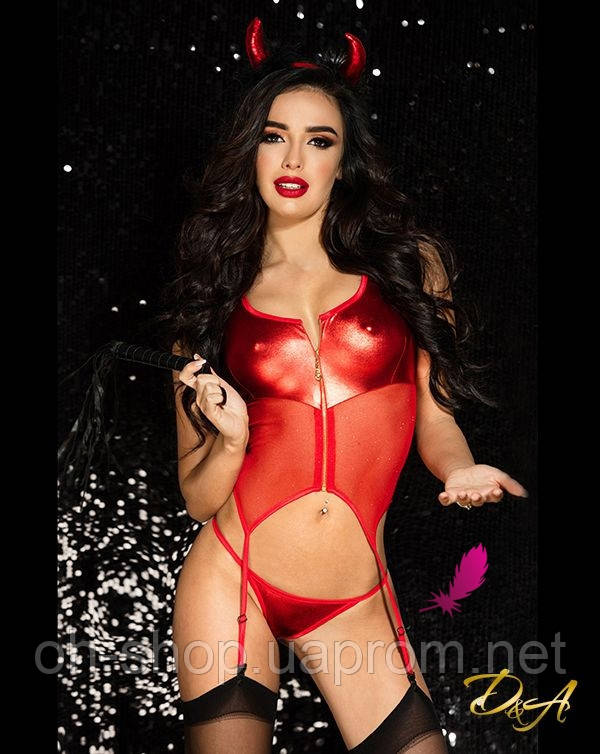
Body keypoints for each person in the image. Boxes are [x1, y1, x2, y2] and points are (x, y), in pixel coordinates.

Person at [160, 17, 528, 754]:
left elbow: (435, 418)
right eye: (274, 136)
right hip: (232, 579)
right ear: (250, 149)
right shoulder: (211, 298)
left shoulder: (409, 267)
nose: (294, 158)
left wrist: (459, 469)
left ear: (345, 159)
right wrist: (229, 442)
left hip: (355, 600)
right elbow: (197, 496)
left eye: (319, 140)